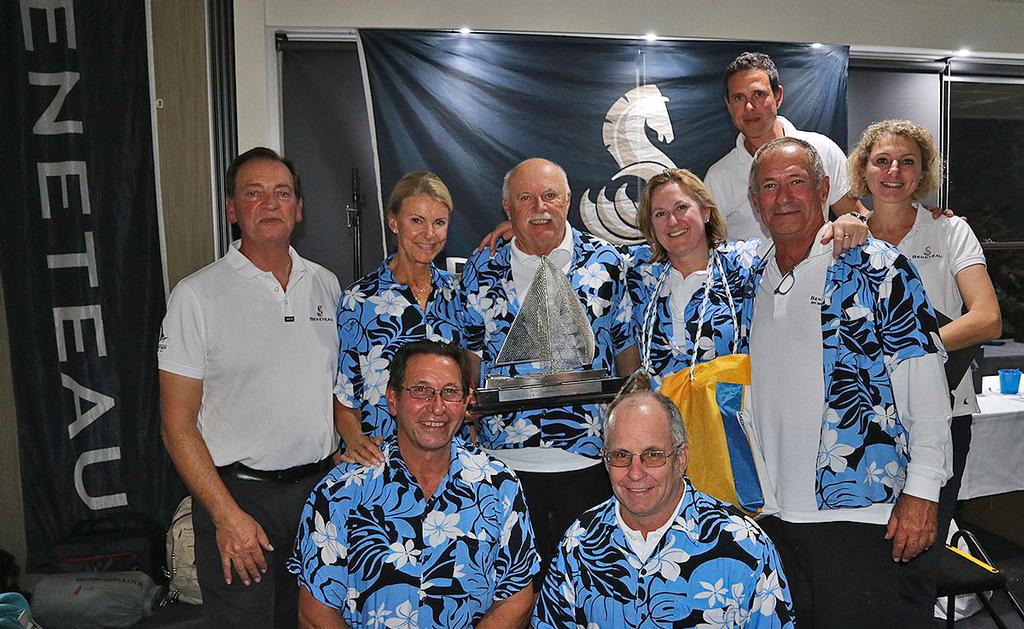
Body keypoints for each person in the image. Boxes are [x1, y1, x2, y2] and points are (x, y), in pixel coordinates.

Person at [745, 137, 952, 627]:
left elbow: (925, 385)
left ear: (822, 188)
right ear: (755, 203)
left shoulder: (879, 268)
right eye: (769, 187)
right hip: (767, 512)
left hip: (860, 508)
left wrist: (923, 490)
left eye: (797, 182)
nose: (784, 197)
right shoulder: (745, 277)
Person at [159, 147, 340, 628]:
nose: (270, 204)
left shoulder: (326, 285)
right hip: (239, 499)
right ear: (232, 210)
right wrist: (225, 515)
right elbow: (177, 427)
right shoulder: (196, 296)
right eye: (253, 194)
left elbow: (341, 392)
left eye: (282, 193)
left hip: (318, 495)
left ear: (299, 208)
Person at [460, 157, 640, 573]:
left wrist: (633, 416)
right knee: (511, 590)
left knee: (587, 586)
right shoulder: (480, 268)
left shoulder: (608, 261)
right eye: (525, 198)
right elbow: (470, 357)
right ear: (507, 209)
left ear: (568, 201)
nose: (539, 207)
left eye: (549, 196)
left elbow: (626, 347)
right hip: (503, 464)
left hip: (589, 461)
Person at [289, 340, 540, 628]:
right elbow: (315, 614)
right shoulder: (339, 493)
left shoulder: (500, 487)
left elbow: (517, 598)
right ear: (393, 399)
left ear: (466, 401)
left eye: (450, 392)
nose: (437, 407)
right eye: (421, 390)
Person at [847, 118, 1001, 548]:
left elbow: (987, 318)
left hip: (945, 409)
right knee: (866, 542)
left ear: (922, 172)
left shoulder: (949, 230)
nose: (893, 172)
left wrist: (906, 348)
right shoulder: (845, 236)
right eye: (882, 161)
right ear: (863, 170)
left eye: (906, 162)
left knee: (924, 540)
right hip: (867, 414)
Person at [533, 388, 795, 628]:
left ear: (680, 459)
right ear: (606, 460)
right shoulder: (579, 543)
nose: (635, 473)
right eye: (622, 456)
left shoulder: (744, 546)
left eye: (653, 455)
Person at [334, 171, 463, 466]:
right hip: (384, 465)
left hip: (449, 464)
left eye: (439, 223)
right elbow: (344, 397)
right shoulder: (360, 301)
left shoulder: (459, 294)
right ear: (394, 222)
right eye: (416, 220)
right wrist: (357, 444)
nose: (429, 234)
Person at [705, 52, 869, 241]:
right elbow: (710, 250)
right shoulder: (718, 177)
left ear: (778, 96)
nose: (749, 107)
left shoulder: (823, 150)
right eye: (739, 98)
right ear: (728, 104)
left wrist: (853, 220)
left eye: (758, 94)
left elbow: (857, 216)